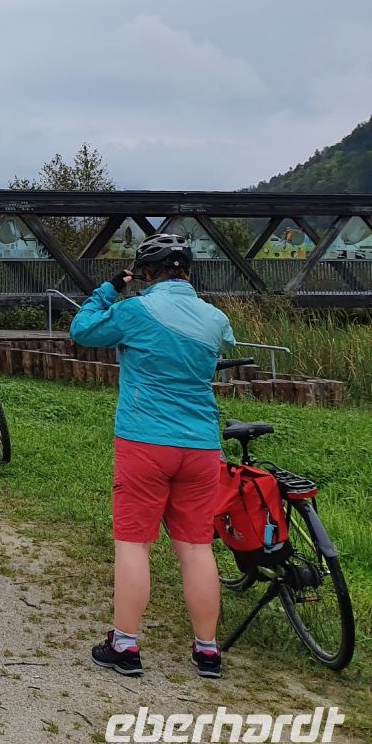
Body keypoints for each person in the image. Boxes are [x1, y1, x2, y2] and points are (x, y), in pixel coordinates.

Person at [72, 233, 235, 680]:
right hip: (201, 445)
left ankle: (125, 645)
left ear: (144, 273)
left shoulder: (134, 310)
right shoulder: (214, 316)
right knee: (197, 547)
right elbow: (227, 346)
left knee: (134, 543)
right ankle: (207, 651)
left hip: (144, 441)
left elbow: (82, 331)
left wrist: (109, 289)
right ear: (189, 272)